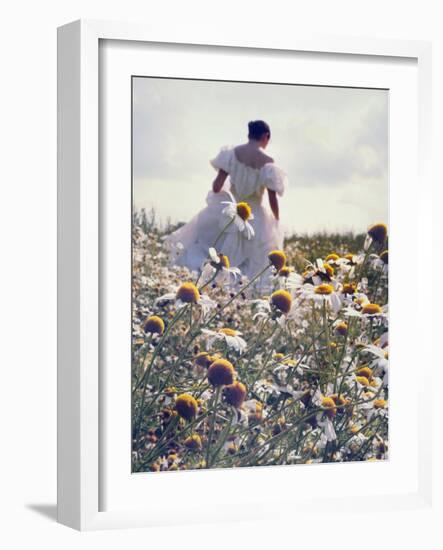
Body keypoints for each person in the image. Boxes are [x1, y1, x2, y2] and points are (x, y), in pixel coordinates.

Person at [164, 120, 288, 287]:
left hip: (229, 210)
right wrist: (276, 221)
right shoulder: (268, 162)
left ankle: (205, 284)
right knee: (250, 263)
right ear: (265, 136)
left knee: (215, 253)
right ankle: (238, 294)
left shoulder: (231, 154)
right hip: (255, 217)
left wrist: (228, 195)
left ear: (249, 134)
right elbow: (272, 199)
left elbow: (216, 187)